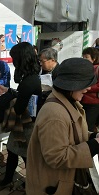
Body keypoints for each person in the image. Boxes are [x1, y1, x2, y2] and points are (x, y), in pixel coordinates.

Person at [26, 58, 99, 195]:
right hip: (53, 185)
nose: (89, 88)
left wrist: (93, 136)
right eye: (85, 84)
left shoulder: (68, 100)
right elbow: (56, 157)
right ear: (70, 85)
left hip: (61, 179)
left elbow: (73, 133)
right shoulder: (55, 114)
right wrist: (94, 145)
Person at [0, 42, 42, 190]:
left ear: (21, 59)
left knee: (27, 157)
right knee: (13, 151)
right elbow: (23, 97)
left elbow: (19, 108)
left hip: (27, 126)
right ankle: (9, 179)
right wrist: (11, 91)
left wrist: (10, 97)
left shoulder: (28, 81)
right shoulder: (32, 77)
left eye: (14, 58)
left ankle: (31, 183)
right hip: (25, 124)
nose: (13, 61)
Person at [81, 47, 99, 132]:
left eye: (87, 57)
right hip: (82, 101)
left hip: (94, 103)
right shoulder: (83, 69)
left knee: (88, 126)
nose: (84, 59)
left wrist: (88, 88)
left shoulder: (97, 69)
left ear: (94, 58)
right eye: (83, 57)